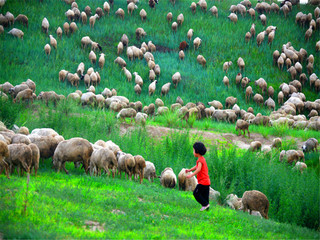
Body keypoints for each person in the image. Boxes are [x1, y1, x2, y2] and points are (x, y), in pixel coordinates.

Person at [185, 141, 211, 211]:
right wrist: (190, 170)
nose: (193, 152)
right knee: (205, 196)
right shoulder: (202, 159)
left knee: (196, 193)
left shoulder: (200, 160)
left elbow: (198, 169)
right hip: (207, 181)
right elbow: (196, 167)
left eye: (193, 150)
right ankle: (206, 208)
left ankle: (205, 204)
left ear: (197, 151)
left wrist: (192, 175)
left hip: (203, 182)